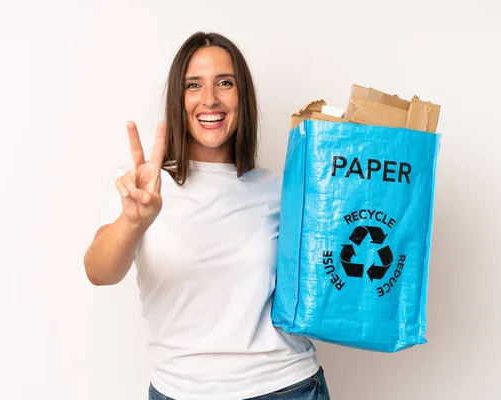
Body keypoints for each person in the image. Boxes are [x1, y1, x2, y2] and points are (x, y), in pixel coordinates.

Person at [83, 32, 330, 400]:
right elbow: (99, 272)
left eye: (225, 83)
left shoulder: (278, 189)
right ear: (177, 100)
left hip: (285, 387)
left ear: (241, 97)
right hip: (179, 390)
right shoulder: (141, 184)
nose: (210, 99)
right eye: (193, 85)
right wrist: (134, 222)